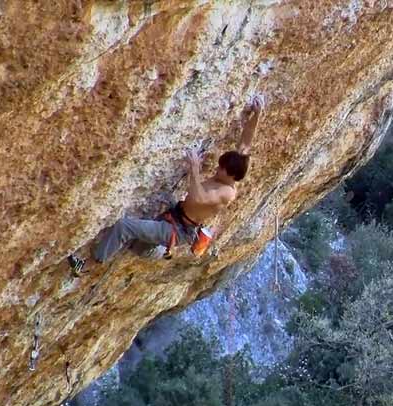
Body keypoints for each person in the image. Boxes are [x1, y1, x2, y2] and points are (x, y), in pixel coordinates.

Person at [68, 96, 264, 276]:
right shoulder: (237, 166)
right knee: (137, 245)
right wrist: (257, 114)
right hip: (175, 216)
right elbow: (246, 143)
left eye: (221, 168)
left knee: (124, 227)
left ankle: (86, 266)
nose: (216, 169)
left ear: (231, 174)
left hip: (176, 230)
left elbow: (200, 198)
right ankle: (155, 251)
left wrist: (194, 169)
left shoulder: (227, 193)